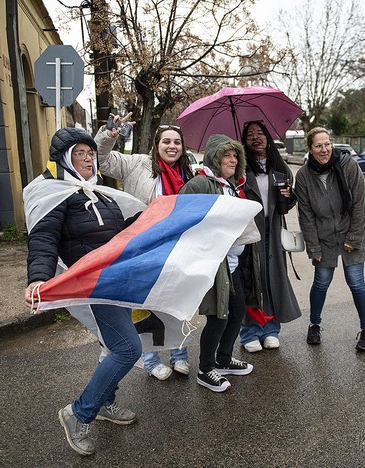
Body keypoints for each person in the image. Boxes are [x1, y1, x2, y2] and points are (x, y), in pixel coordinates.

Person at [23, 127, 144, 456]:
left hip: (113, 281)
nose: (89, 158)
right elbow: (43, 238)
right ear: (65, 158)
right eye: (81, 153)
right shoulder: (56, 193)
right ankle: (79, 413)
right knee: (126, 349)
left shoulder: (99, 191)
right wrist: (38, 277)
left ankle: (106, 401)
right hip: (91, 285)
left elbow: (120, 233)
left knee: (114, 346)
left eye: (91, 153)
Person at [95, 117, 194, 381]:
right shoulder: (137, 164)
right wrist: (109, 134)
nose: (171, 146)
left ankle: (179, 354)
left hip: (176, 247)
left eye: (176, 142)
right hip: (142, 246)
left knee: (176, 302)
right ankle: (151, 359)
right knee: (145, 303)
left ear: (182, 147)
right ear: (156, 144)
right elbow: (102, 160)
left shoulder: (190, 173)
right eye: (166, 141)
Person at [179, 133, 259, 392]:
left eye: (236, 155)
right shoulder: (202, 183)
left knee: (237, 312)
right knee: (218, 316)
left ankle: (223, 359)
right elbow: (181, 213)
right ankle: (205, 369)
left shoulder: (233, 185)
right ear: (215, 158)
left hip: (232, 262)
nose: (233, 159)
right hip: (214, 263)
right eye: (227, 154)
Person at [294, 127, 365, 351]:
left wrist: (354, 238)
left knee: (356, 282)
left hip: (351, 233)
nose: (325, 149)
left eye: (328, 143)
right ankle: (314, 325)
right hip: (324, 237)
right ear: (310, 148)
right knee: (321, 282)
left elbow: (360, 205)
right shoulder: (303, 175)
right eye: (319, 145)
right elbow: (306, 215)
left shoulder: (349, 166)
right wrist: (314, 247)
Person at [238, 121, 302, 352]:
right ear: (244, 141)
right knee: (251, 279)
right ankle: (249, 332)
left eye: (260, 133)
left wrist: (287, 196)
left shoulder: (280, 167)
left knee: (273, 278)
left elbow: (285, 205)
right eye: (250, 134)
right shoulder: (240, 168)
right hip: (248, 230)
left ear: (268, 137)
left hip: (272, 229)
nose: (256, 138)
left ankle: (271, 329)